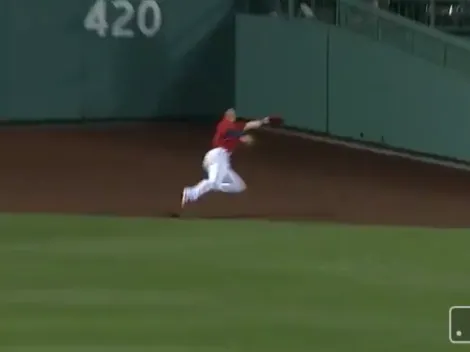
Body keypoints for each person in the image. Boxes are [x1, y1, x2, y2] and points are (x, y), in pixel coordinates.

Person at [181, 108, 271, 207]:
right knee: (213, 182)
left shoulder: (236, 126)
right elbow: (229, 133)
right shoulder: (224, 124)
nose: (233, 116)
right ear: (227, 116)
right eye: (231, 114)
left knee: (239, 186)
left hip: (222, 161)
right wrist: (242, 137)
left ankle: (215, 185)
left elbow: (250, 125)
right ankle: (191, 193)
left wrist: (263, 121)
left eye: (234, 114)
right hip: (217, 156)